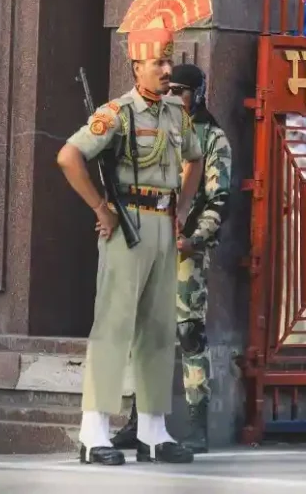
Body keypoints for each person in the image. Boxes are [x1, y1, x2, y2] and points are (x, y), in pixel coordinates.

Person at [57, 0, 207, 466]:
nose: (168, 70)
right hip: (128, 224)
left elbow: (195, 158)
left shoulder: (174, 115)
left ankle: (152, 430)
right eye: (159, 63)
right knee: (113, 327)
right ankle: (94, 430)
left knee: (158, 329)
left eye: (169, 61)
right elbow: (69, 156)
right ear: (136, 67)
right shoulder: (116, 114)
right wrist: (101, 208)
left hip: (163, 224)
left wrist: (181, 209)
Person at [110, 63, 233, 455]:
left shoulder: (212, 137)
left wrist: (192, 238)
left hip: (185, 250)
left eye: (181, 90)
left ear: (197, 93)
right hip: (147, 240)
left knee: (188, 333)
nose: (173, 96)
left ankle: (197, 424)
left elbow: (219, 200)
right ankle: (137, 420)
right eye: (170, 89)